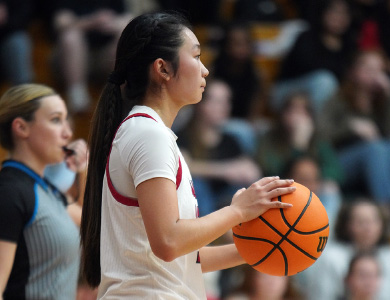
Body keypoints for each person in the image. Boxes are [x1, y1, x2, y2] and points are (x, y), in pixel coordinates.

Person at [80, 12, 296, 299]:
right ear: (163, 69)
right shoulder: (148, 135)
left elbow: (182, 259)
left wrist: (261, 248)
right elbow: (168, 241)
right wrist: (238, 211)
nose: (205, 70)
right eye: (196, 56)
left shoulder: (148, 132)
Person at [0, 84, 80, 299]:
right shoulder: (9, 193)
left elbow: (95, 224)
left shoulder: (47, 190)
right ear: (21, 127)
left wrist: (86, 167)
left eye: (66, 120)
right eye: (56, 120)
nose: (68, 133)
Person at [320, 50, 390, 205]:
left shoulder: (382, 101)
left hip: (378, 161)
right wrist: (350, 128)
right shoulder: (338, 98)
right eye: (368, 69)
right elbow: (320, 135)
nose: (374, 75)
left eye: (378, 71)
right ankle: (388, 206)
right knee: (375, 149)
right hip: (339, 161)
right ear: (354, 71)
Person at [177, 78, 261, 216]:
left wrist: (249, 171)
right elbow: (185, 166)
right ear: (200, 103)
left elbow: (249, 169)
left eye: (227, 101)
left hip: (226, 200)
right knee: (197, 185)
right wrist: (225, 170)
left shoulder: (231, 139)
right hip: (198, 205)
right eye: (217, 101)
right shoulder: (183, 136)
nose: (224, 107)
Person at [295, 199, 390, 300]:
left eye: (374, 220)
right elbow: (322, 296)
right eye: (361, 221)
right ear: (347, 225)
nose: (368, 227)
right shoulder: (331, 257)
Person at [271, 0, 356, 113]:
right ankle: (319, 128)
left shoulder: (349, 45)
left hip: (327, 95)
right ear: (323, 13)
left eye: (344, 13)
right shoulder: (306, 37)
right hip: (287, 92)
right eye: (334, 11)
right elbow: (307, 66)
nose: (338, 17)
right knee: (325, 81)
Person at [51, 0, 132, 113]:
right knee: (70, 37)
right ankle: (77, 95)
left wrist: (114, 23)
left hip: (104, 56)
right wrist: (91, 22)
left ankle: (119, 96)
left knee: (124, 36)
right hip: (74, 57)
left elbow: (130, 19)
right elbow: (60, 22)